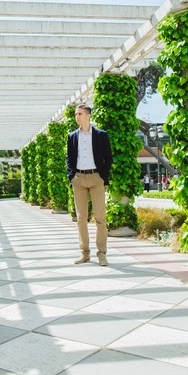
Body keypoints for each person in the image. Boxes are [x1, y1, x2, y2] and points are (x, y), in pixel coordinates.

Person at [66, 104, 113, 266]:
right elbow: (69, 159)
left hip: (96, 178)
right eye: (75, 114)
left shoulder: (101, 135)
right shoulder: (72, 136)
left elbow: (109, 158)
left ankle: (102, 254)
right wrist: (72, 176)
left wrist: (102, 176)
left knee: (100, 218)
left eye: (79, 114)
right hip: (78, 179)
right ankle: (84, 253)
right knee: (81, 218)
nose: (76, 116)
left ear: (88, 116)